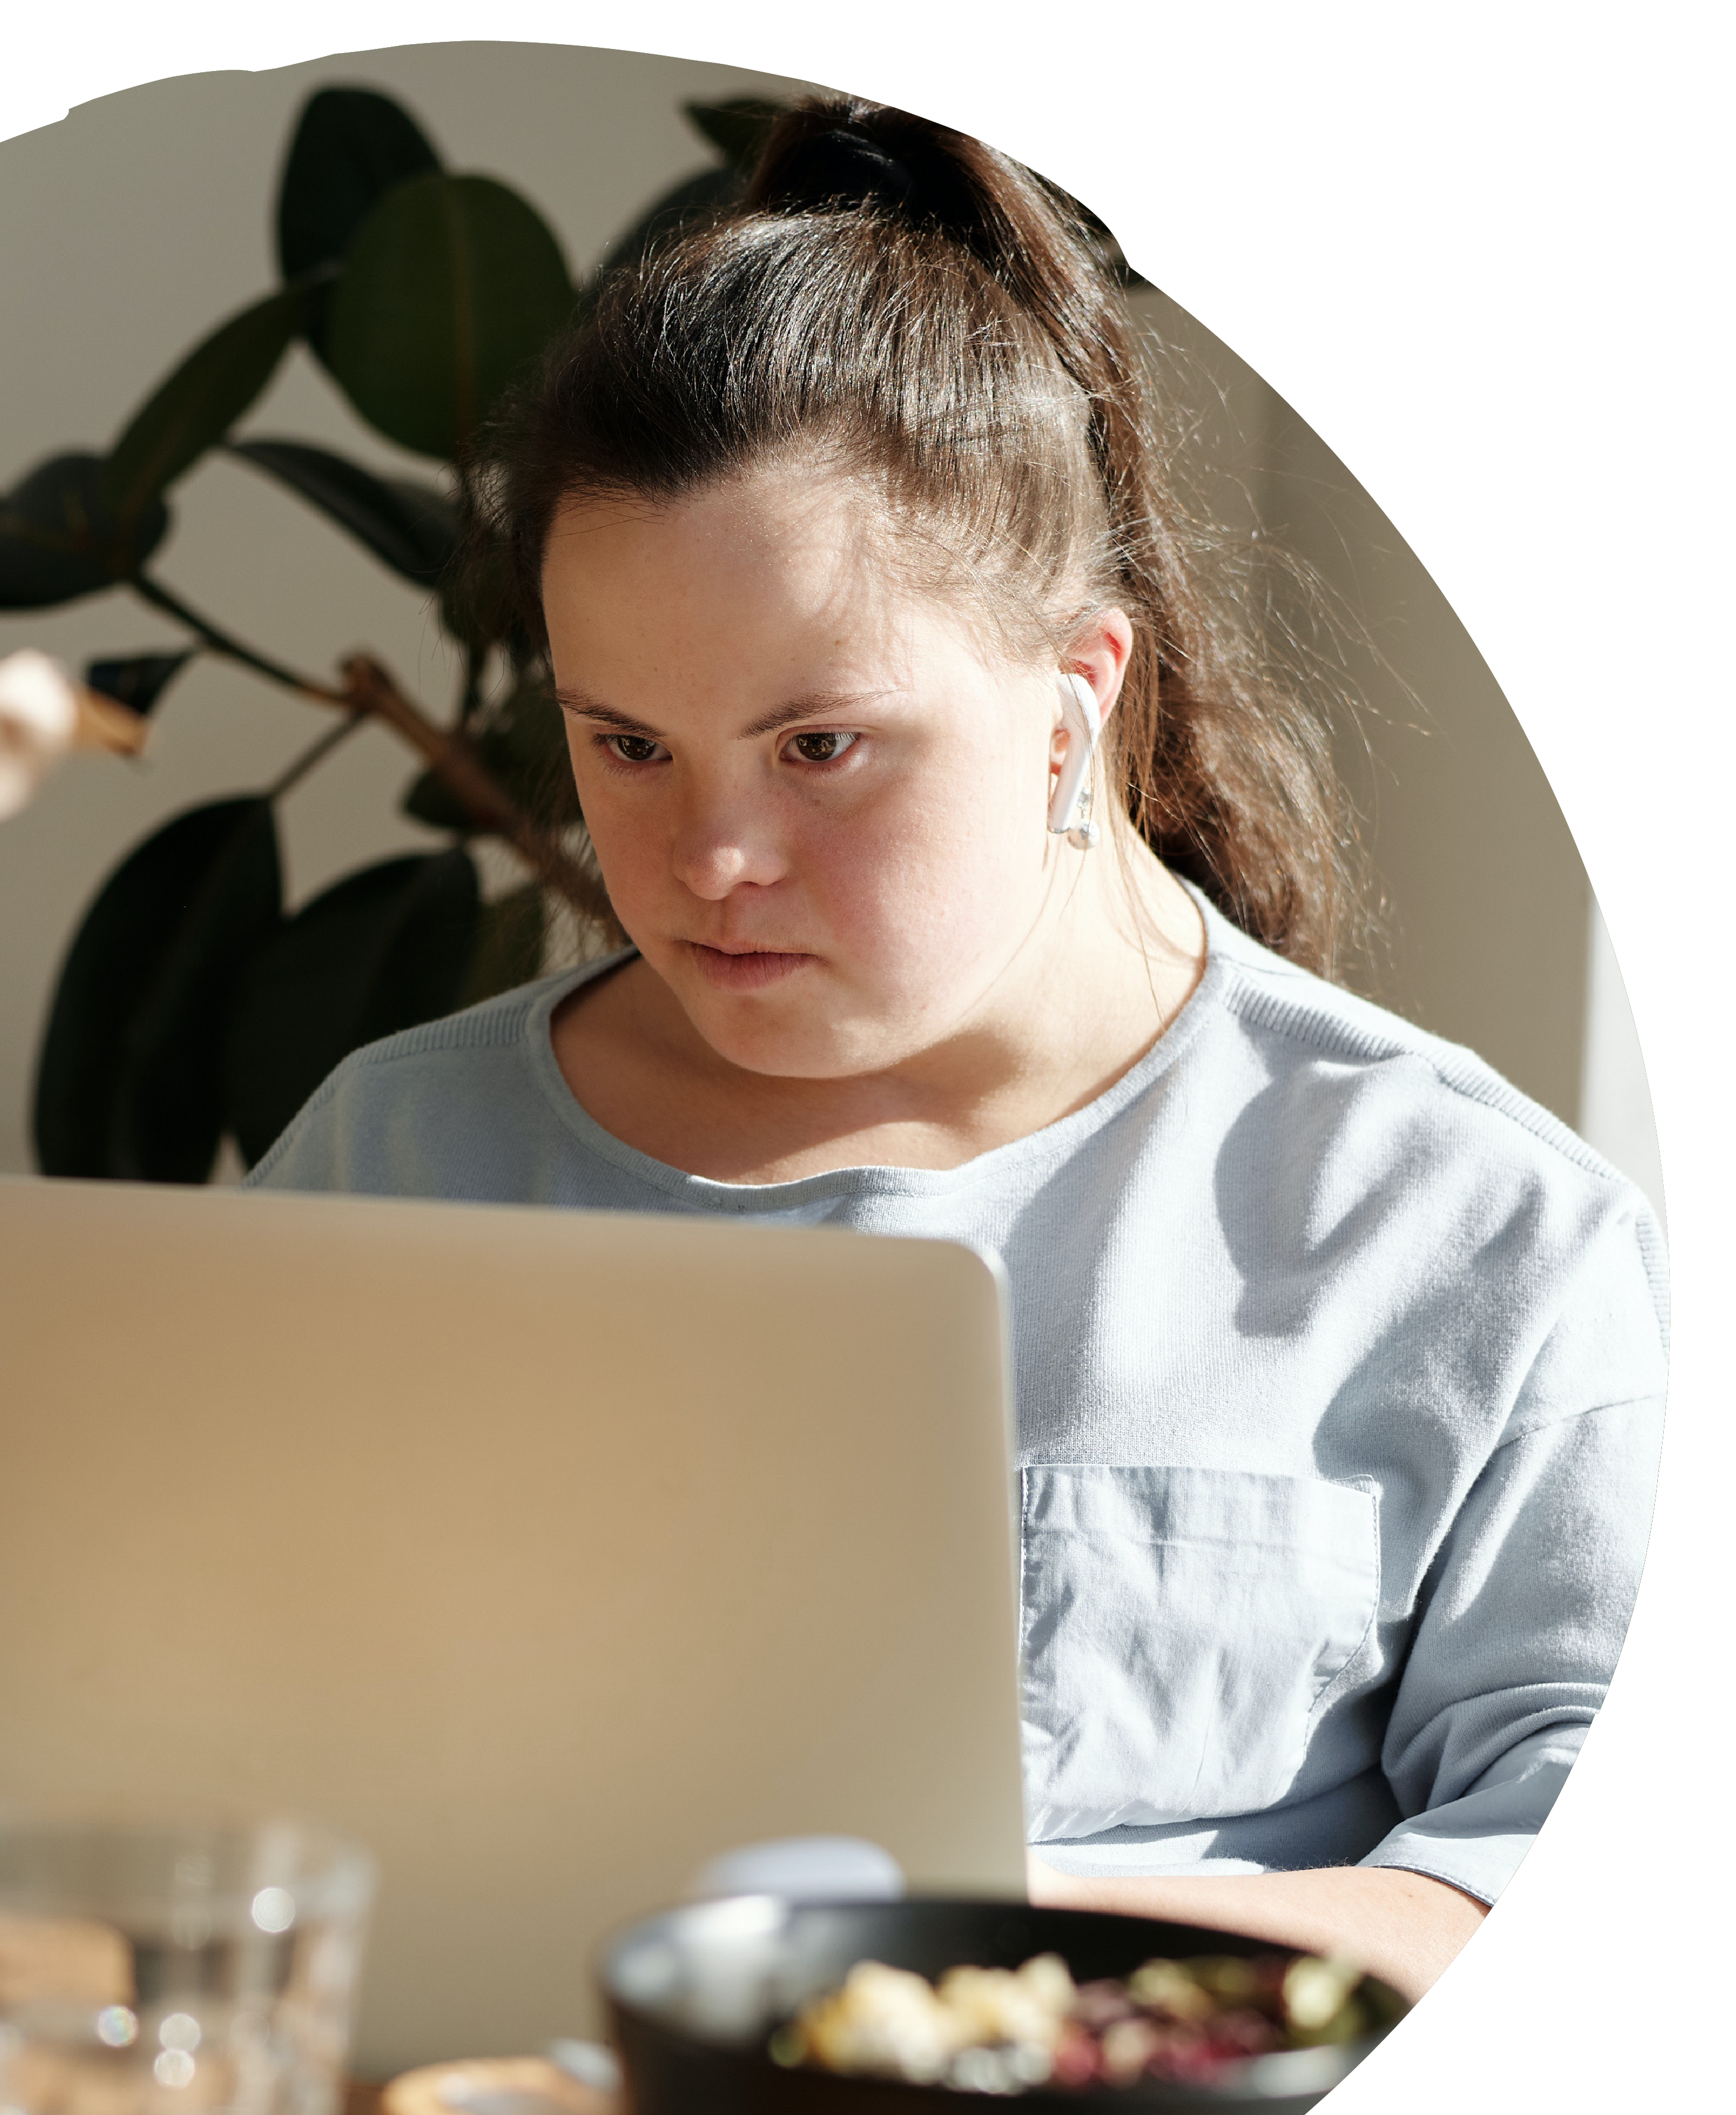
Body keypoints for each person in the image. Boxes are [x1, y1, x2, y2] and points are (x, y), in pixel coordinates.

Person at [246, 94, 1667, 2003]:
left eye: (818, 745)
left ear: (1074, 695)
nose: (706, 859)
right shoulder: (388, 1160)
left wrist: (984, 1956)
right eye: (625, 744)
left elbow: (1587, 1886)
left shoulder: (1476, 1235)